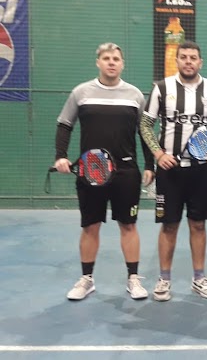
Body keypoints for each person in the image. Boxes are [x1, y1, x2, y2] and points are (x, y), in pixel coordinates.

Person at [54, 42, 154, 301]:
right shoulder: (81, 93)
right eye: (107, 58)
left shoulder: (135, 95)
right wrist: (61, 156)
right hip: (90, 170)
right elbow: (64, 124)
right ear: (98, 62)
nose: (111, 62)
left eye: (116, 59)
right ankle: (86, 279)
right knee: (90, 226)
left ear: (122, 64)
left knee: (128, 225)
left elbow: (145, 133)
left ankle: (133, 279)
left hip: (126, 172)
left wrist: (149, 166)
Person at [140, 40, 207, 302]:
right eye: (184, 57)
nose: (188, 61)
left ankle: (199, 278)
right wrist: (158, 154)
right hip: (170, 173)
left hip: (202, 172)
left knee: (198, 225)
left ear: (200, 62)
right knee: (169, 225)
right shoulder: (162, 88)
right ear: (176, 60)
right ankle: (164, 279)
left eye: (193, 57)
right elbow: (145, 125)